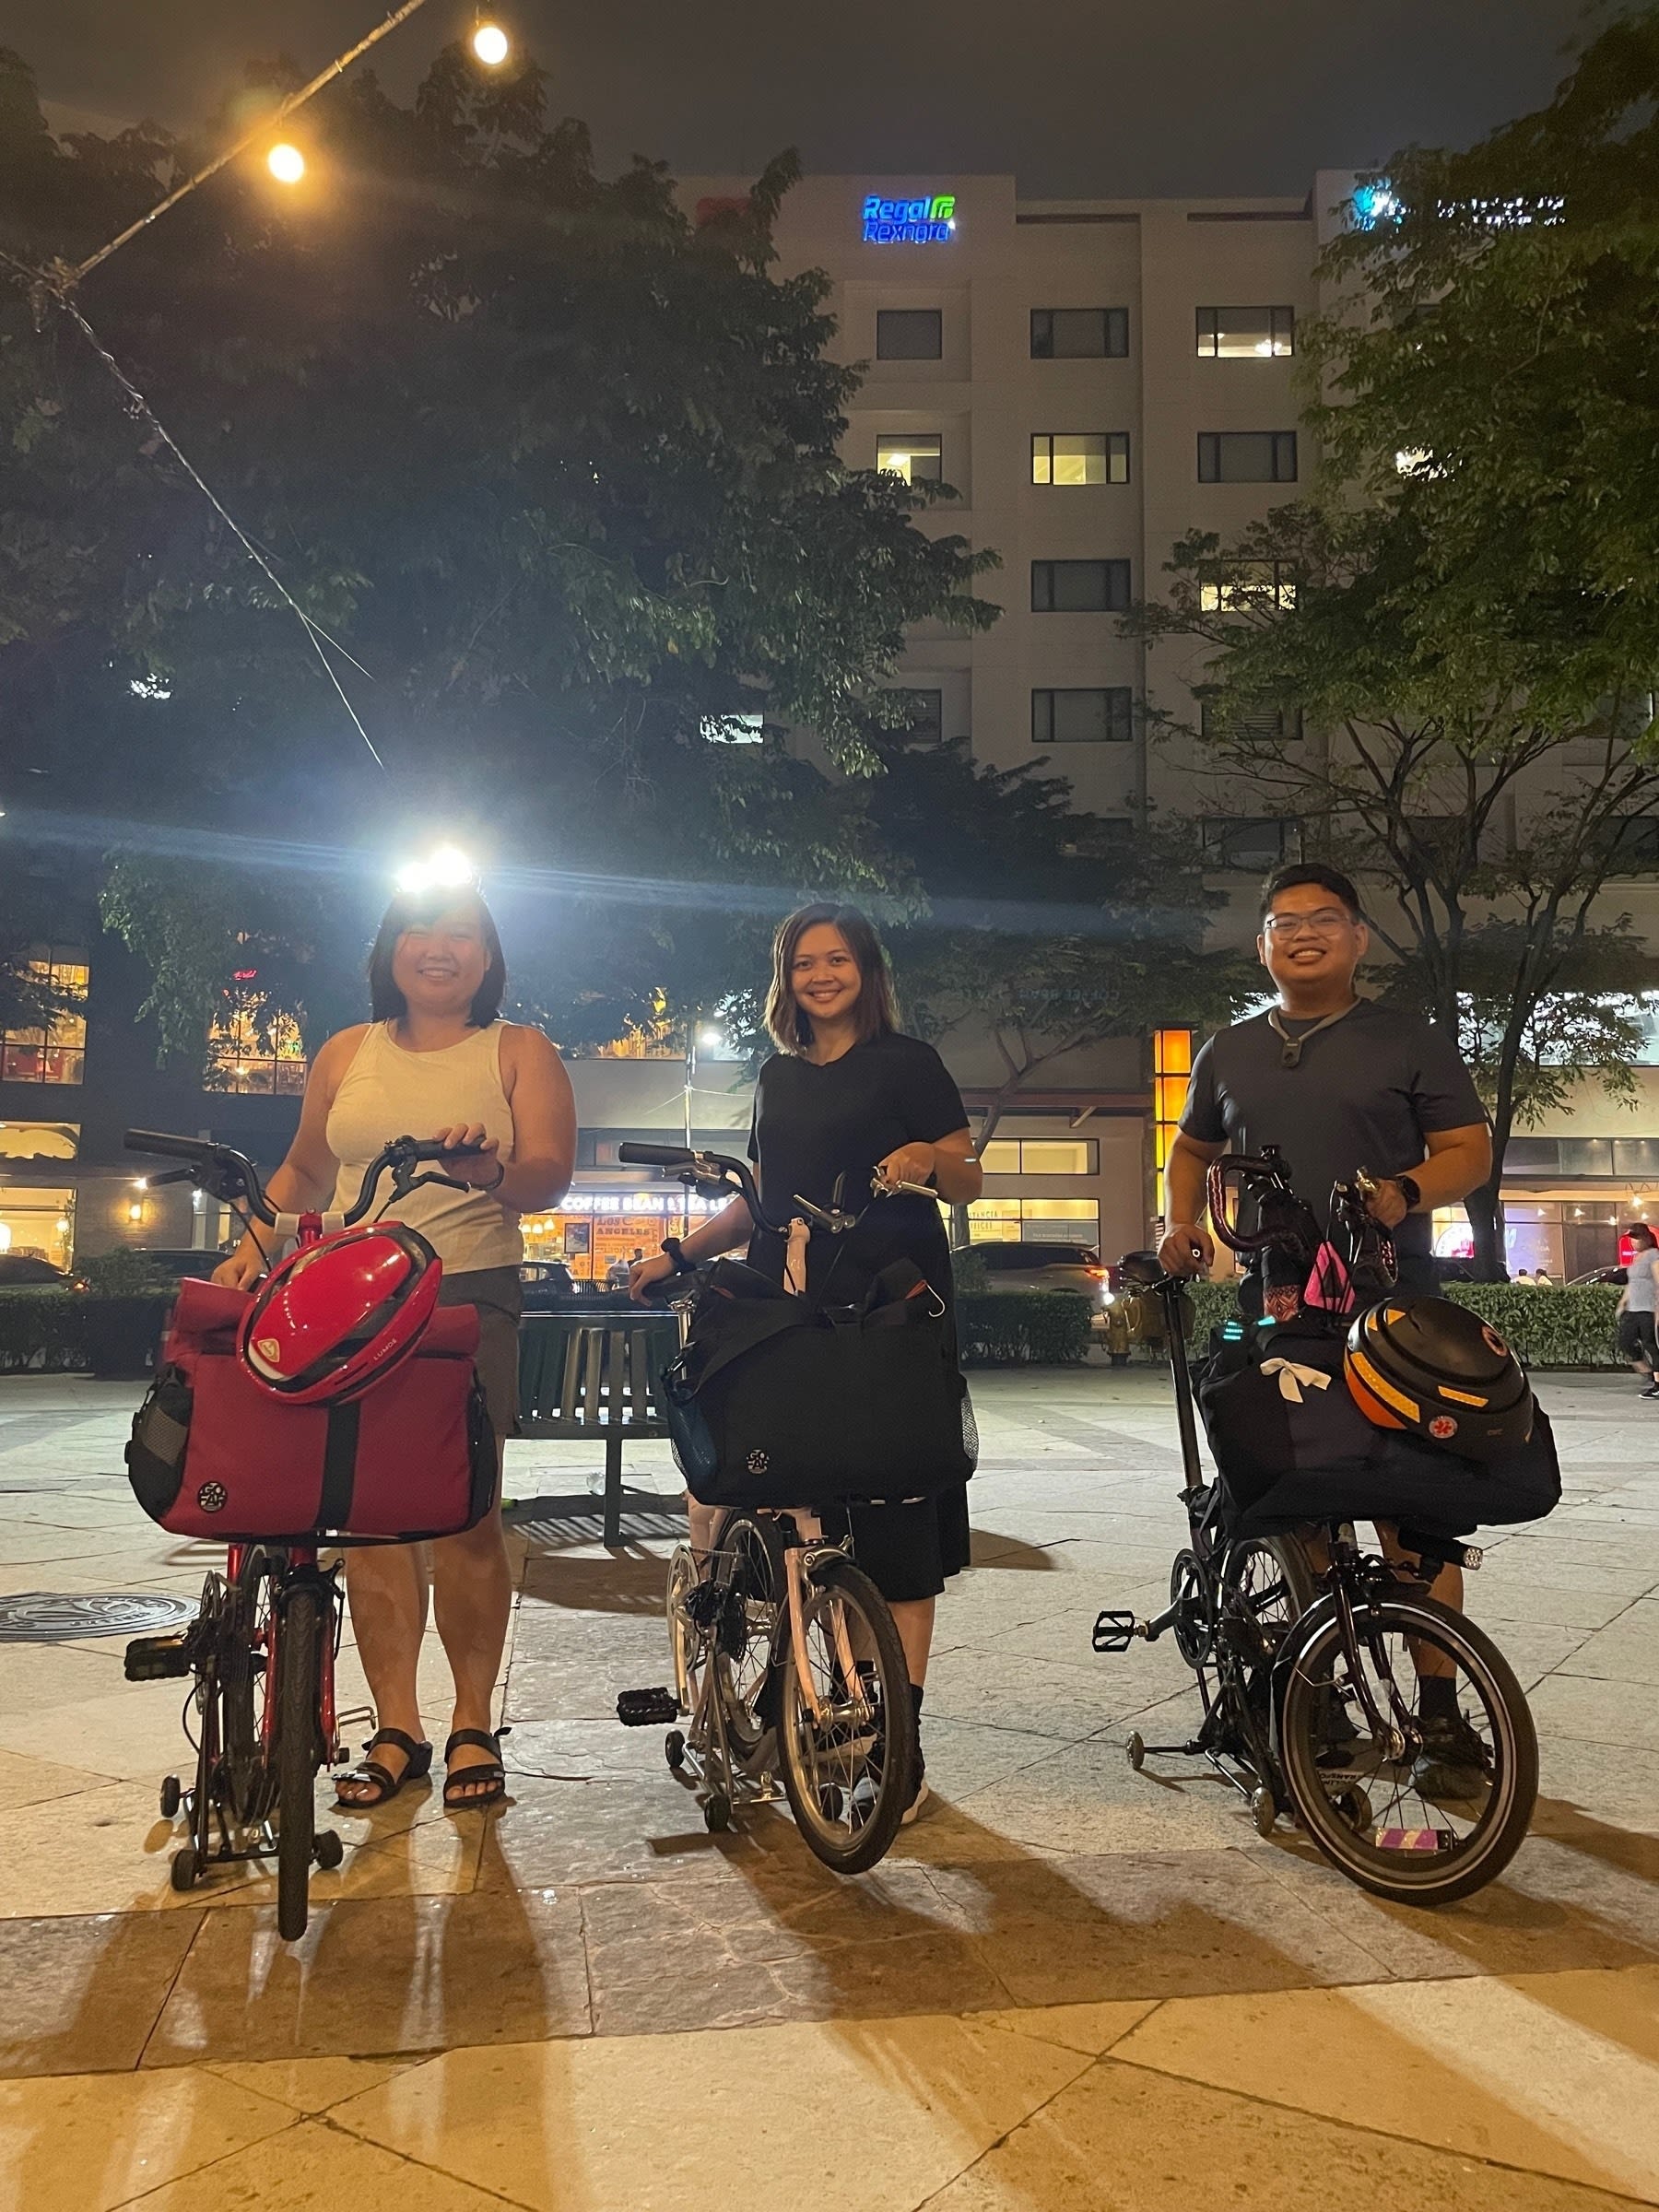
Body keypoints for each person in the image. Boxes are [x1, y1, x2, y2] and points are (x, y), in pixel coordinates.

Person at [215, 883, 575, 1810]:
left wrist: (485, 1169)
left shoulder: (521, 1051)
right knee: (369, 1521)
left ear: (488, 958)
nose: (440, 947)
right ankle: (396, 1727)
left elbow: (547, 1178)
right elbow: (305, 1170)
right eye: (421, 929)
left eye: (463, 932)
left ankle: (470, 1722)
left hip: (465, 1296)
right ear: (392, 950)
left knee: (464, 1515)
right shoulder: (347, 1050)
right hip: (342, 1295)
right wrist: (248, 1253)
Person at [629, 902, 982, 1821]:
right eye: (801, 964)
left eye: (835, 959)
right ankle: (832, 1715)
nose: (819, 976)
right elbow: (758, 1200)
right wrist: (678, 1255)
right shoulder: (778, 1077)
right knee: (807, 1511)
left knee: (898, 1523)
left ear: (865, 968)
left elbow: (969, 1173)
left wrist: (923, 1160)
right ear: (784, 982)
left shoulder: (909, 1063)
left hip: (893, 1306)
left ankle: (894, 1739)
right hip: (789, 1309)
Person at [1159, 862, 1493, 1789]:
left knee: (1413, 1510)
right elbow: (1192, 1147)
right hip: (1273, 1306)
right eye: (1283, 923)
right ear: (1262, 945)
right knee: (1303, 1499)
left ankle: (1443, 1717)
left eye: (1323, 920)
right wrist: (1179, 1225)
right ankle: (1323, 1698)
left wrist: (1405, 1193)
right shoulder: (1230, 1047)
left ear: (1358, 938)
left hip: (1396, 1310)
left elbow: (1469, 1148)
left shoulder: (1408, 1039)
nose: (1302, 934)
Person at [1617, 1225, 1659, 1397]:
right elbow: (1631, 1284)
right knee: (1626, 1342)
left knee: (1652, 1346)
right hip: (1634, 1309)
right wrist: (1623, 1302)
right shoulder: (1637, 1258)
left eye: (1636, 1238)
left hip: (1648, 1309)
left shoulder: (1654, 1255)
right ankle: (1650, 1374)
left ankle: (1657, 1385)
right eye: (1631, 1239)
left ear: (1646, 1238)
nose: (1633, 1242)